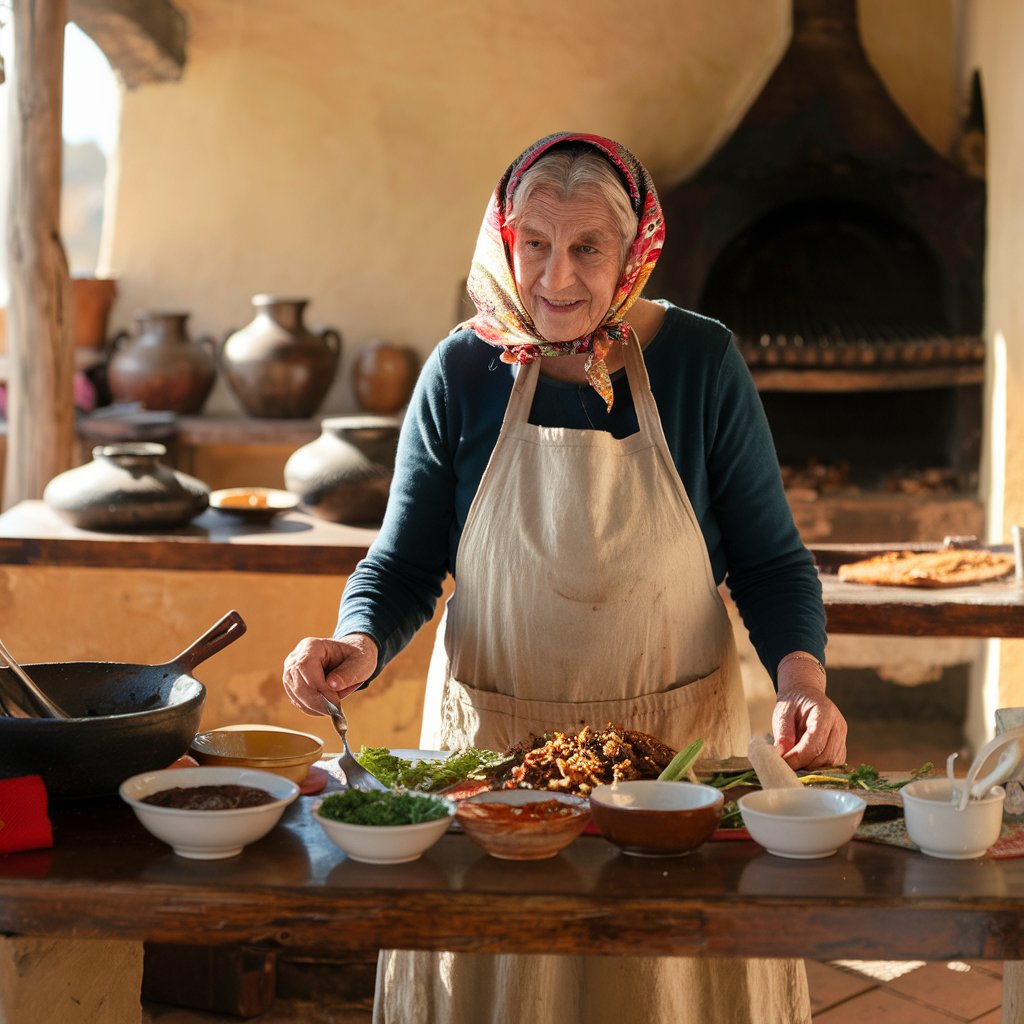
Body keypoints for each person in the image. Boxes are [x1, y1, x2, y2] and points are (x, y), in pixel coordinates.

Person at [283, 131, 848, 1024]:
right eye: (535, 244)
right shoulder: (461, 370)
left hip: (672, 754)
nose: (557, 278)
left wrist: (803, 679)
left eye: (588, 247)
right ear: (505, 241)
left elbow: (772, 560)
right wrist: (357, 639)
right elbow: (404, 560)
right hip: (494, 754)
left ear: (635, 251)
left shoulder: (700, 362)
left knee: (662, 983)